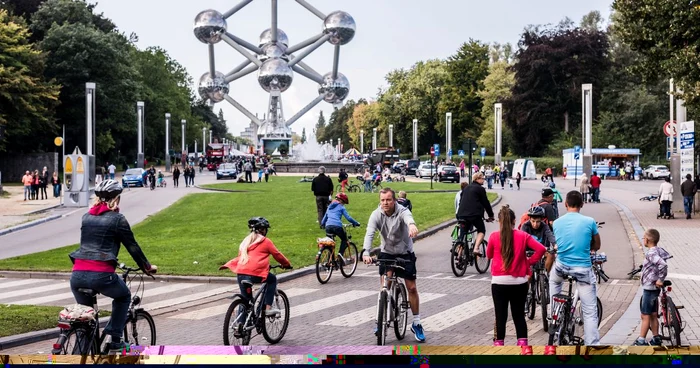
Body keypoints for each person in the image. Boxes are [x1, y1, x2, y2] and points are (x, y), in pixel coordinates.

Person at [68, 180, 157, 352]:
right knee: (124, 297)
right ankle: (115, 340)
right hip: (101, 275)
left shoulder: (86, 217)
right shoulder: (117, 219)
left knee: (85, 321)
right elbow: (132, 246)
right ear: (116, 198)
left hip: (77, 275)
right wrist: (146, 267)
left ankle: (80, 351)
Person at [362, 188, 423, 342]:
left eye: (388, 200)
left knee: (412, 288)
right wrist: (366, 252)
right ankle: (379, 320)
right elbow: (369, 233)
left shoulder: (402, 211)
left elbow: (408, 218)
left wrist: (412, 226)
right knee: (384, 287)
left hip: (404, 252)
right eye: (382, 200)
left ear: (394, 200)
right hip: (387, 252)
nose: (385, 203)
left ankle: (416, 323)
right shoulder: (376, 214)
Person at [547, 190, 601, 353]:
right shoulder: (590, 221)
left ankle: (554, 314)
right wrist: (587, 248)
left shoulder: (557, 223)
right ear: (582, 204)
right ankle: (592, 347)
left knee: (553, 281)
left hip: (561, 266)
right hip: (582, 269)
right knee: (590, 311)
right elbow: (597, 245)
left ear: (565, 204)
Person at [487, 205, 546, 353]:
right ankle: (524, 349)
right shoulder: (522, 236)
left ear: (500, 222)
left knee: (500, 316)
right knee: (518, 315)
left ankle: (499, 347)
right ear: (514, 221)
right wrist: (528, 262)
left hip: (499, 282)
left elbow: (488, 255)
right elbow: (541, 249)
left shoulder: (494, 236)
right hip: (519, 282)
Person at [220, 217, 292, 319]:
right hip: (255, 273)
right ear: (263, 230)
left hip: (241, 273)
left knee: (246, 300)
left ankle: (241, 326)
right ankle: (267, 309)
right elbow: (277, 255)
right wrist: (287, 264)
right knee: (272, 280)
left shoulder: (246, 241)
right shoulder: (266, 241)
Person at [456, 172, 495, 258]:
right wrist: (491, 215)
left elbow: (461, 201)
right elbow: (486, 203)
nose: (483, 180)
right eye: (482, 178)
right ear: (477, 179)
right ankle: (476, 248)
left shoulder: (466, 188)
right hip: (474, 215)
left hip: (461, 214)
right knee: (481, 230)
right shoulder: (480, 189)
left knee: (463, 233)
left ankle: (459, 255)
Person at [321, 193, 360, 262]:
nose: (343, 204)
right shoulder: (341, 207)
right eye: (344, 203)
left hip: (328, 227)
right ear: (341, 201)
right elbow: (348, 218)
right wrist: (356, 223)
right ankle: (340, 254)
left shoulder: (329, 207)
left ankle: (331, 261)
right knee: (344, 239)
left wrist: (323, 224)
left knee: (330, 244)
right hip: (337, 227)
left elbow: (323, 220)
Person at [520, 206, 556, 272]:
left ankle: (546, 274)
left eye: (538, 222)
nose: (535, 224)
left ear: (541, 220)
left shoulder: (544, 226)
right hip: (528, 252)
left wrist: (555, 244)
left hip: (543, 250)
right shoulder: (525, 226)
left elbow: (550, 236)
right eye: (533, 221)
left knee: (552, 254)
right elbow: (521, 239)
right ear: (529, 219)